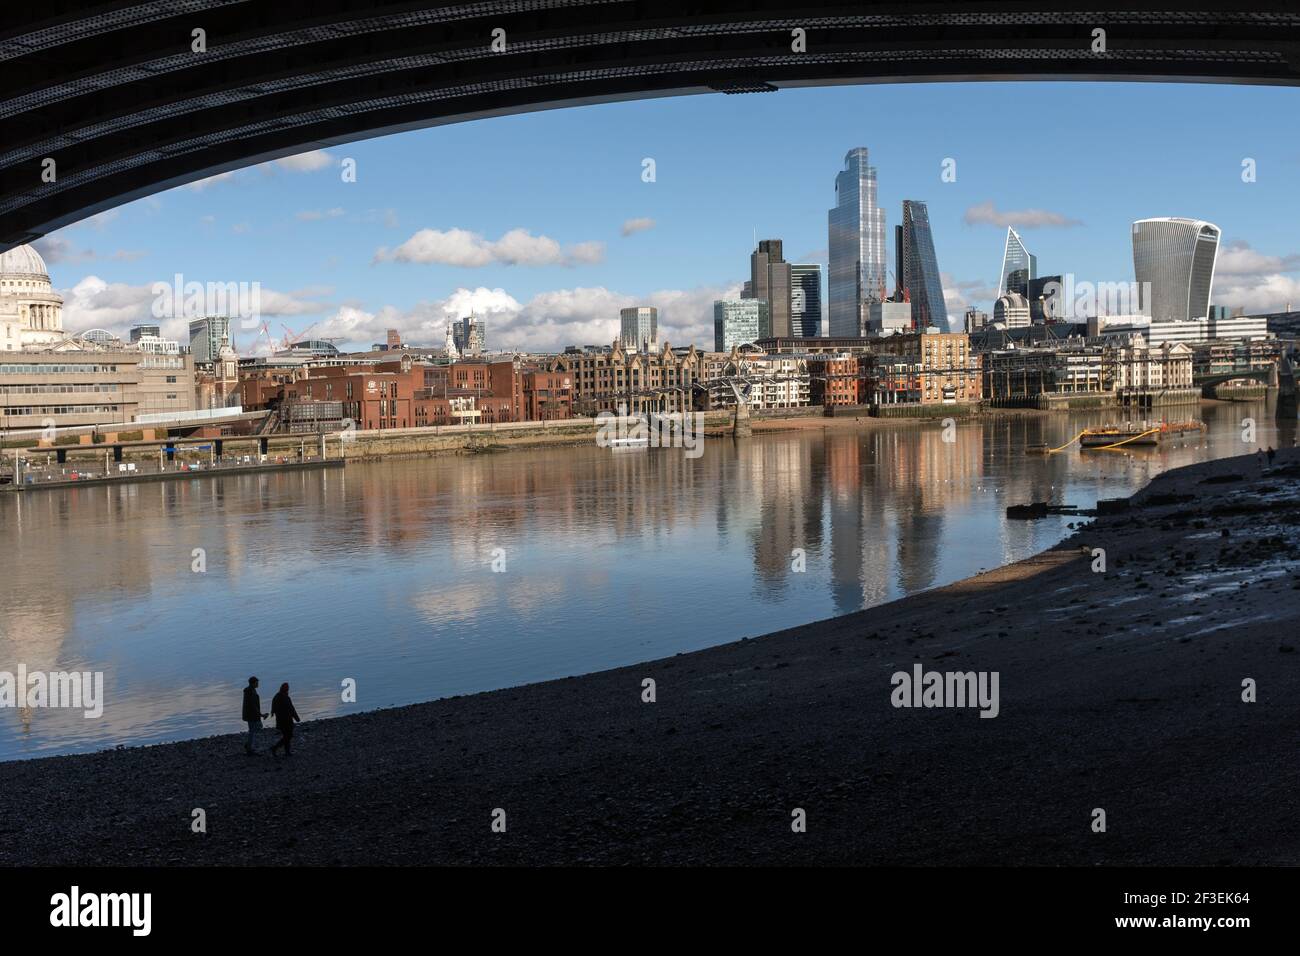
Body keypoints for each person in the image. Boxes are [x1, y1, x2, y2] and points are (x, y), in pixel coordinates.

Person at [269, 682, 301, 757]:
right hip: (287, 720)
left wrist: (273, 712)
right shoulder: (285, 697)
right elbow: (291, 708)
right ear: (286, 689)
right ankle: (276, 748)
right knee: (288, 736)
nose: (288, 689)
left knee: (287, 735)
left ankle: (286, 751)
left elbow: (273, 707)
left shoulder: (276, 696)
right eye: (287, 688)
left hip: (280, 720)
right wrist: (297, 718)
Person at [242, 676, 268, 756]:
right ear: (253, 683)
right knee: (253, 731)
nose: (258, 684)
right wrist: (261, 715)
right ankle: (249, 748)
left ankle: (248, 746)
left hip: (251, 714)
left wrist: (260, 714)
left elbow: (253, 705)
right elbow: (253, 706)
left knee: (254, 729)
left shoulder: (252, 690)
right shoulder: (250, 692)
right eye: (257, 682)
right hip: (251, 715)